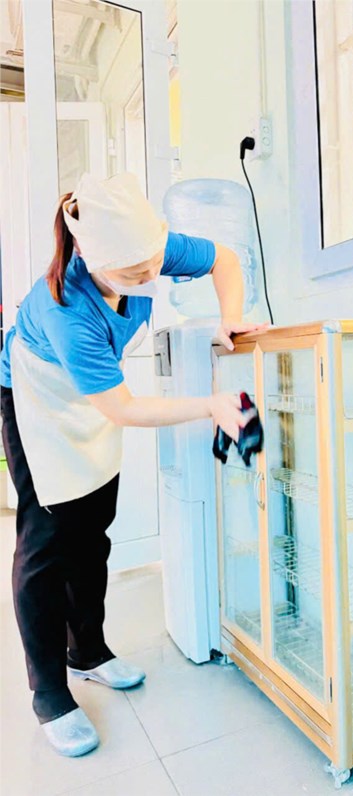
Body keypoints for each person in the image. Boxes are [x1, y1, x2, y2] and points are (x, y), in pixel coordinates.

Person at [0, 172, 267, 757]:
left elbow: (223, 260)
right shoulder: (64, 309)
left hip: (93, 396)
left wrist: (230, 315)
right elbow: (122, 409)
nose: (150, 277)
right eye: (133, 274)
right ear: (90, 257)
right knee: (45, 543)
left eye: (153, 265)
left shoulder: (146, 248)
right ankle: (49, 691)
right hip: (37, 397)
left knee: (92, 529)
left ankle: (87, 651)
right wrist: (209, 406)